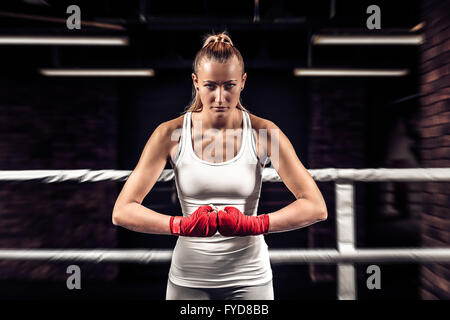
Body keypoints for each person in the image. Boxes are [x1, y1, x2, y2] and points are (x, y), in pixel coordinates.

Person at [112, 31, 328, 300]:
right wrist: (180, 225)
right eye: (210, 85)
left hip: (251, 278)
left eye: (229, 85)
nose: (219, 96)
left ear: (243, 83)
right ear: (196, 83)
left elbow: (315, 206)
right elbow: (122, 210)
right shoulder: (170, 134)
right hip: (189, 278)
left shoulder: (263, 132)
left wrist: (254, 224)